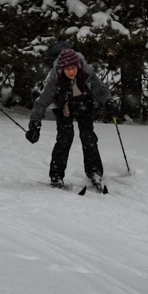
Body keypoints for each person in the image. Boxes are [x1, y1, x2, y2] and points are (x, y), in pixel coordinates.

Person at [26, 48, 117, 189]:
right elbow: (41, 102)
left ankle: (94, 171)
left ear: (78, 65)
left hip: (84, 102)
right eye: (67, 68)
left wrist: (109, 101)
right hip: (62, 105)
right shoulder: (54, 78)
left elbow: (101, 90)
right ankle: (56, 175)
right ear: (62, 69)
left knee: (88, 136)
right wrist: (34, 124)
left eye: (73, 67)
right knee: (65, 136)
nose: (71, 71)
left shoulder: (87, 72)